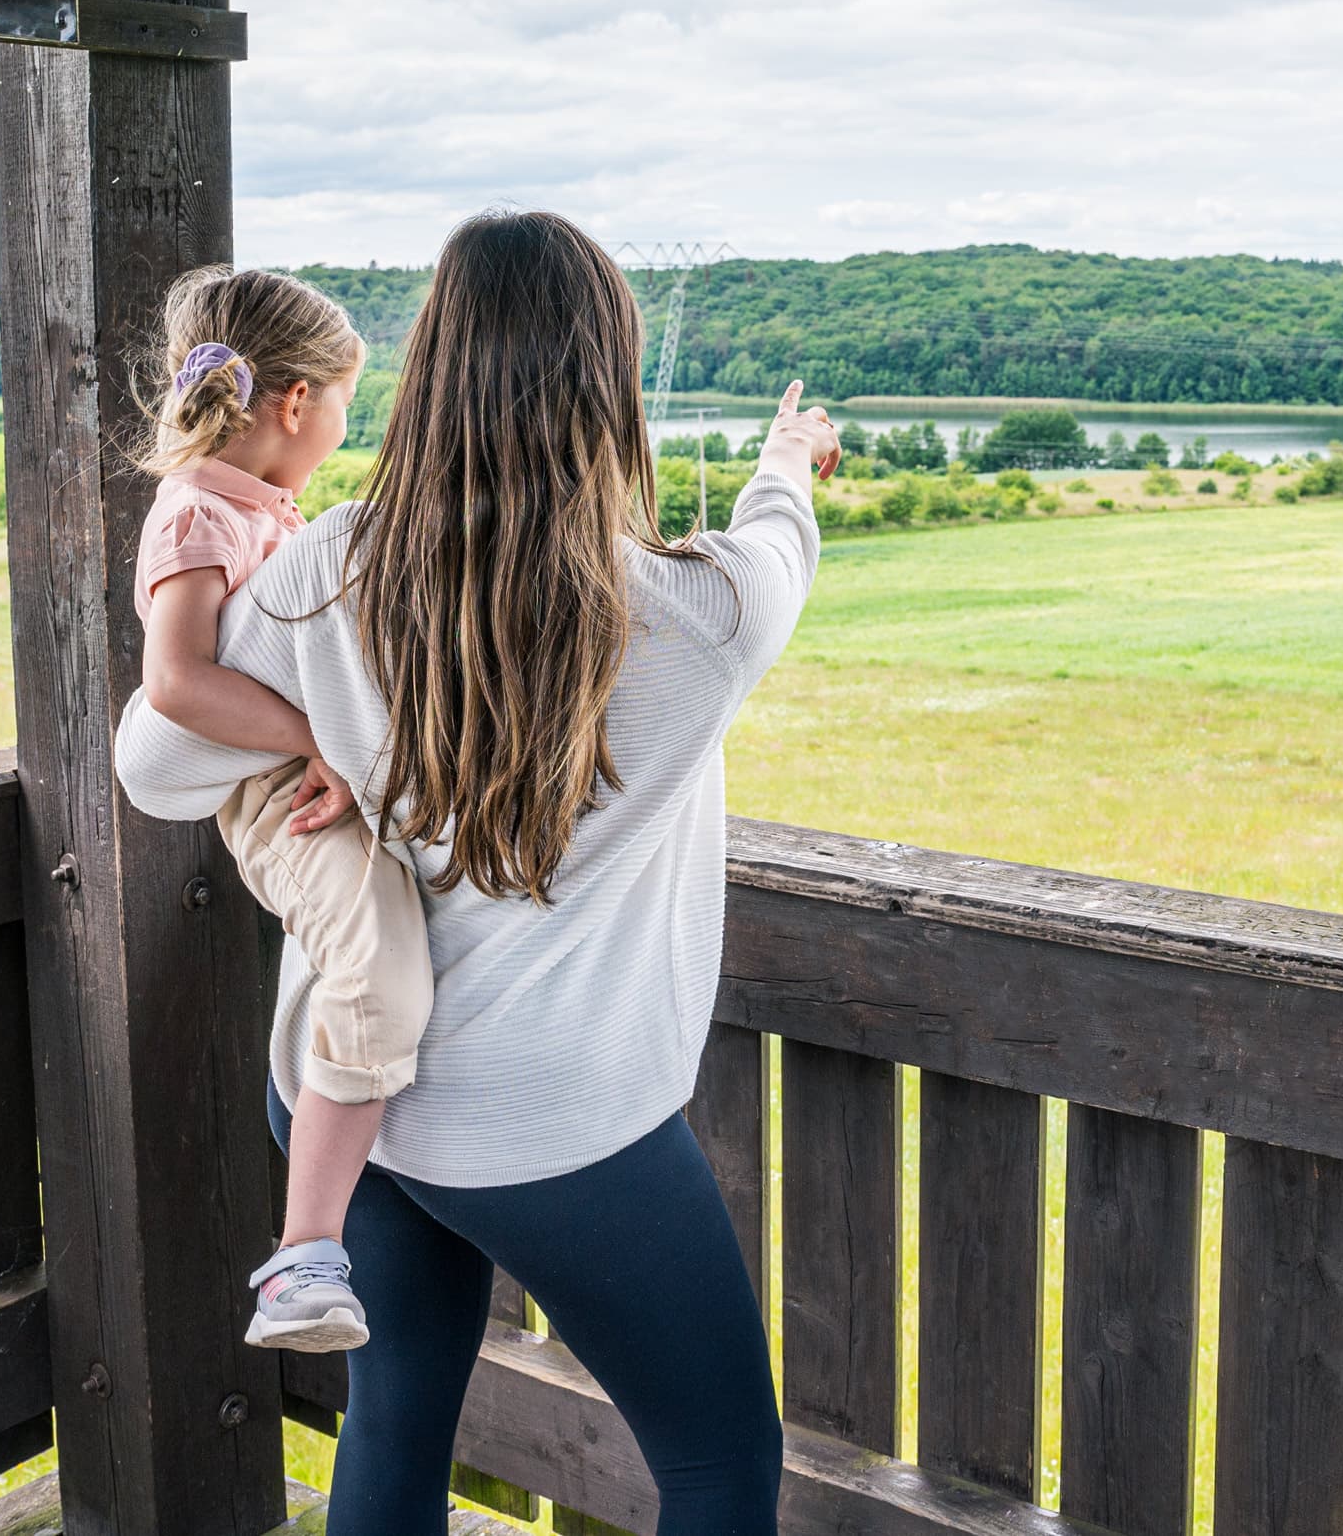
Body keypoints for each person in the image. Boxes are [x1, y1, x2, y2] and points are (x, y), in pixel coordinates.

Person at [116, 211, 833, 1536]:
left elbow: (154, 765)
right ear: (609, 388)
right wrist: (785, 460)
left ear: (429, 368)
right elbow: (779, 540)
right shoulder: (703, 608)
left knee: (394, 1429)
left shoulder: (320, 569)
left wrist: (324, 733)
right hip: (548, 1128)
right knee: (721, 1461)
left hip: (346, 1103)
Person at [119, 263, 415, 1357]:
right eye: (346, 402)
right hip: (274, 794)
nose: (346, 425)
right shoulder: (197, 513)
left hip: (311, 770)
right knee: (379, 974)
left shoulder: (267, 512)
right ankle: (305, 1254)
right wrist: (326, 739)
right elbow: (177, 682)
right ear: (297, 403)